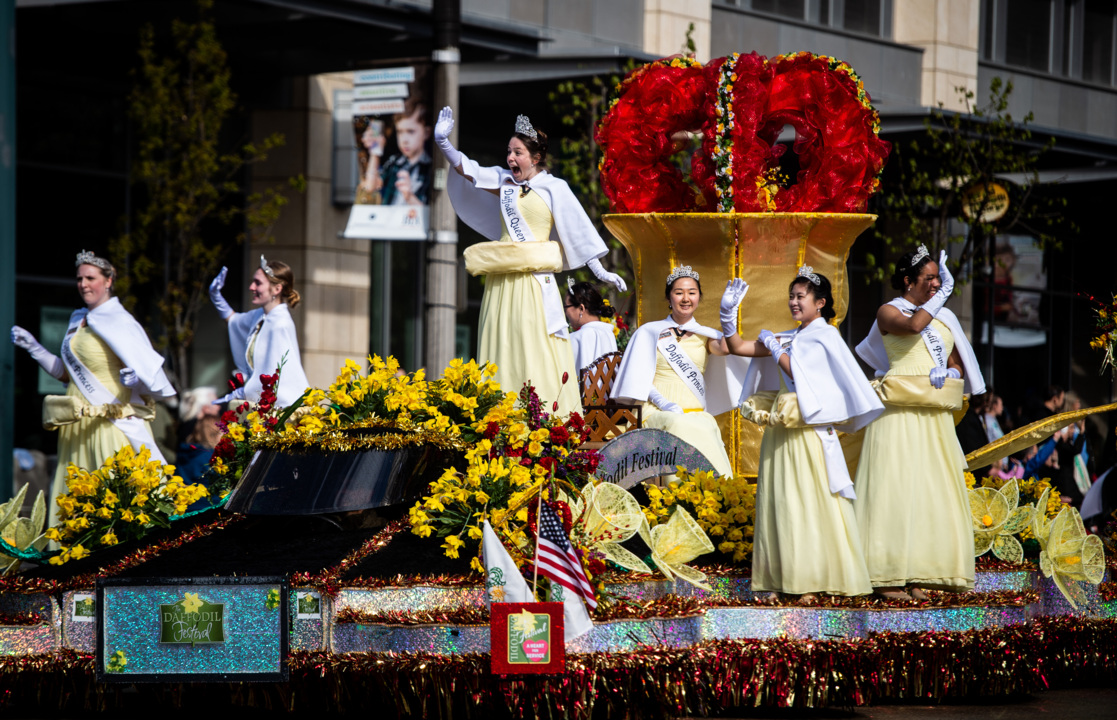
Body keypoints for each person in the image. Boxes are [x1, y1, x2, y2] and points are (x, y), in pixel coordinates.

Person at [433, 107, 625, 416]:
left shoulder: (555, 188)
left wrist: (600, 270)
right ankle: (499, 413)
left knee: (536, 345)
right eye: (508, 151)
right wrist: (443, 142)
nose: (510, 158)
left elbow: (577, 229)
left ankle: (545, 415)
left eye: (517, 152)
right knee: (502, 341)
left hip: (535, 283)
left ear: (535, 157)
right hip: (503, 280)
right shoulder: (505, 183)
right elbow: (467, 169)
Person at [722, 269, 882, 601]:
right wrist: (727, 315)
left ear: (820, 303)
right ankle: (781, 579)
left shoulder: (826, 336)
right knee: (782, 503)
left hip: (807, 434)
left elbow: (801, 374)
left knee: (807, 503)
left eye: (801, 297)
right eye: (791, 296)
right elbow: (738, 346)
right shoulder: (788, 336)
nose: (794, 302)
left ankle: (809, 580)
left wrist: (775, 348)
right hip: (781, 432)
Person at [854, 244, 986, 600]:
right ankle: (886, 576)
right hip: (897, 411)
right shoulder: (887, 311)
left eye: (938, 279)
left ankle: (918, 572)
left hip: (931, 411)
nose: (935, 284)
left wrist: (949, 370)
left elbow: (958, 362)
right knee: (893, 489)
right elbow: (914, 326)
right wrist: (943, 293)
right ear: (908, 280)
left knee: (927, 490)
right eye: (928, 278)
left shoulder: (943, 318)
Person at [11, 250, 176, 512]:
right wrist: (35, 349)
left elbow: (147, 376)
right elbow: (66, 374)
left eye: (90, 278)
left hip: (108, 421)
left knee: (109, 496)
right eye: (79, 278)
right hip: (76, 423)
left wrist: (134, 379)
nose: (83, 284)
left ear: (108, 281)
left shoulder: (121, 321)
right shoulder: (77, 318)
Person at [610, 266, 734, 478]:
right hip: (656, 410)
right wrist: (662, 402)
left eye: (692, 292)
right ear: (669, 297)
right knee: (678, 423)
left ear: (699, 297)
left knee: (706, 423)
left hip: (694, 411)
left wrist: (729, 315)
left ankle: (716, 491)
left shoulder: (705, 335)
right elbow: (637, 377)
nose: (686, 298)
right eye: (679, 292)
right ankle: (679, 492)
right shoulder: (649, 331)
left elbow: (728, 348)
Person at [208, 256, 310, 409]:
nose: (251, 287)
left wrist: (245, 391)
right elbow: (234, 320)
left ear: (277, 289)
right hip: (261, 405)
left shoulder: (280, 324)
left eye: (258, 283)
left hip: (278, 410)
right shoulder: (260, 316)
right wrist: (216, 296)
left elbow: (275, 377)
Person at [565, 280, 618, 373]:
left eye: (566, 307)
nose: (565, 312)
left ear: (581, 308)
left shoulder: (576, 338)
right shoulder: (609, 333)